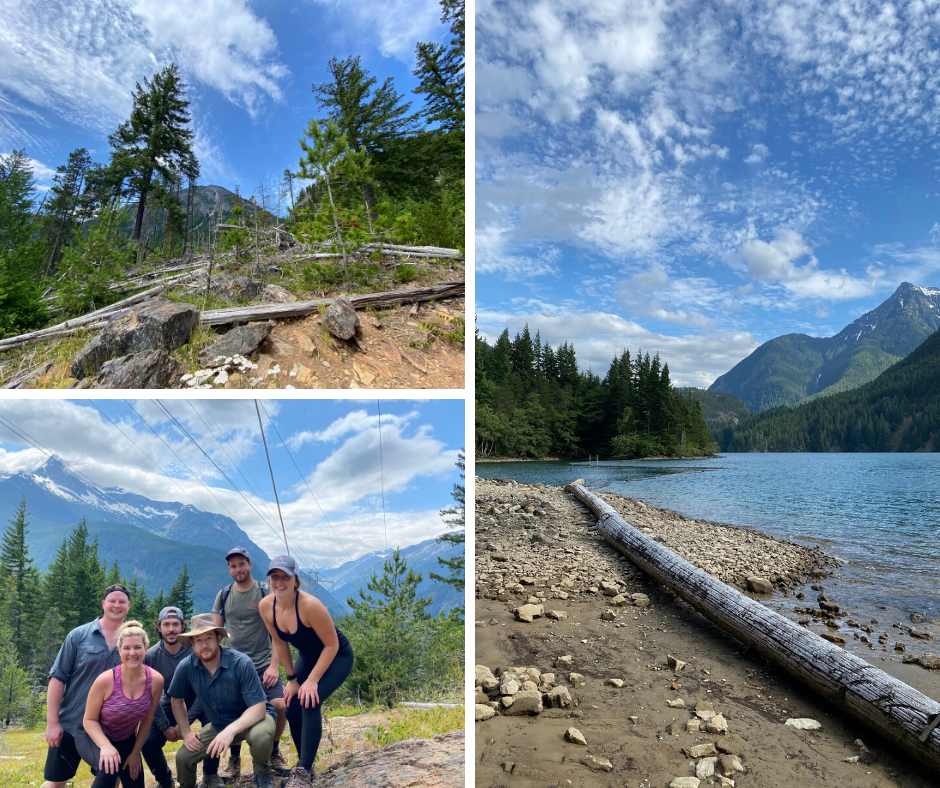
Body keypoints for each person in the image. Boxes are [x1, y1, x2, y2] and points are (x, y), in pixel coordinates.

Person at [259, 555, 354, 788]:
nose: (279, 582)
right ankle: (306, 768)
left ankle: (301, 774)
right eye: (275, 576)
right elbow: (280, 643)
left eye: (285, 576)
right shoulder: (266, 606)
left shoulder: (310, 606)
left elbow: (331, 645)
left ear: (295, 580)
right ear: (269, 579)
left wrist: (312, 681)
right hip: (308, 657)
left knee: (310, 701)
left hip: (336, 656)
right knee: (291, 707)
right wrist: (291, 679)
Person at [169, 613, 278, 788]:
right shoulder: (186, 666)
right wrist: (186, 732)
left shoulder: (241, 663)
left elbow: (259, 708)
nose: (204, 645)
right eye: (198, 640)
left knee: (261, 737)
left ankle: (262, 774)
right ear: (192, 643)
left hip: (255, 719)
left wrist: (230, 731)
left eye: (209, 638)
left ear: (219, 638)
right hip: (220, 723)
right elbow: (176, 699)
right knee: (183, 758)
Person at [42, 584, 131, 788]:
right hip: (71, 724)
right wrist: (52, 722)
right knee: (56, 782)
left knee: (110, 777)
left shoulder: (133, 640)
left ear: (128, 606)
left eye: (121, 602)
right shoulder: (78, 635)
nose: (116, 606)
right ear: (103, 604)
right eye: (112, 601)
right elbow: (57, 678)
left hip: (110, 728)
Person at [212, 547, 289, 777]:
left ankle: (274, 751)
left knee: (280, 706)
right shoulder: (224, 595)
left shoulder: (265, 592)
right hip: (234, 665)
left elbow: (278, 633)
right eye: (233, 566)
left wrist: (275, 666)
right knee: (233, 710)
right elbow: (217, 632)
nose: (238, 569)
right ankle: (234, 760)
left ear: (250, 565)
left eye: (241, 564)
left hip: (264, 662)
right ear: (229, 569)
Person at [74, 621, 164, 788]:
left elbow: (147, 719)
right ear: (119, 650)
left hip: (126, 738)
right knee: (108, 769)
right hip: (93, 735)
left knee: (135, 781)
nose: (132, 653)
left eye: (137, 647)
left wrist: (136, 753)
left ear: (146, 648)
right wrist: (105, 746)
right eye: (127, 648)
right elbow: (89, 720)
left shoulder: (156, 681)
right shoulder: (105, 681)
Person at [141, 607, 221, 788]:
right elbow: (148, 695)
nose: (171, 629)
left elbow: (207, 690)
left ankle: (210, 774)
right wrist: (165, 727)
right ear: (159, 627)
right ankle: (165, 780)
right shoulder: (151, 656)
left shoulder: (196, 652)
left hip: (200, 700)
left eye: (175, 624)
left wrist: (183, 723)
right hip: (167, 702)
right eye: (166, 624)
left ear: (183, 626)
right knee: (147, 743)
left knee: (216, 722)